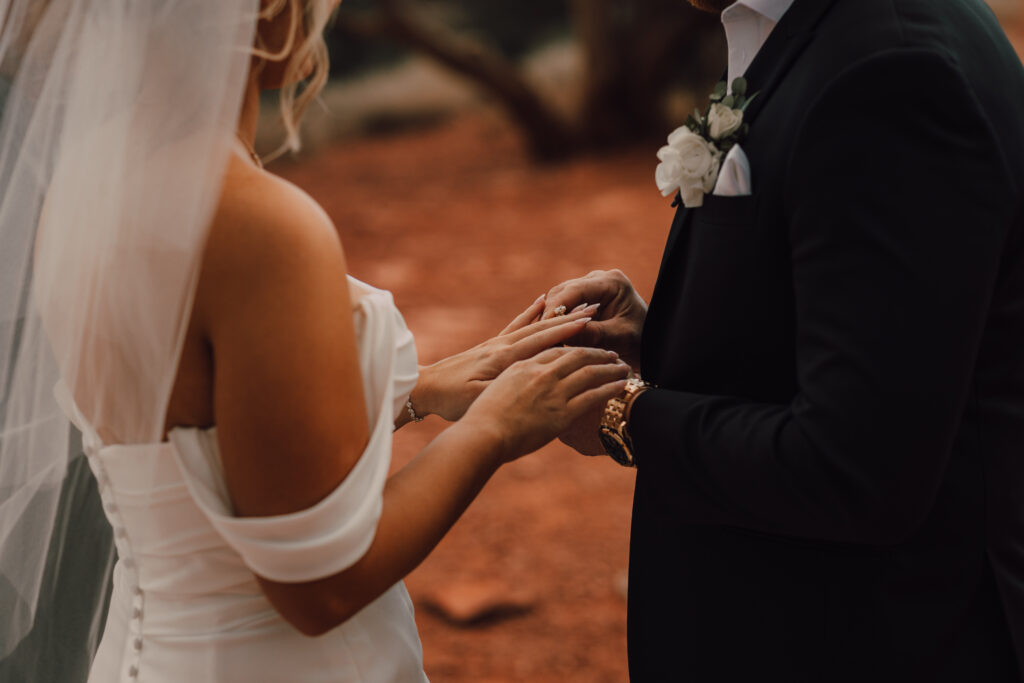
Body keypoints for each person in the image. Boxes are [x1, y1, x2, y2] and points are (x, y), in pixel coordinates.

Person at [0, 0, 629, 681]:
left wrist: (426, 387)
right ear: (265, 15)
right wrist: (493, 428)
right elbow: (319, 588)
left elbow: (191, 434)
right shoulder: (258, 225)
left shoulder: (83, 193)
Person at [545, 0, 1024, 680]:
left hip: (871, 638)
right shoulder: (797, 28)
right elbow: (863, 331)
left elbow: (855, 467)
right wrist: (662, 340)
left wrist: (624, 416)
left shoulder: (895, 72)